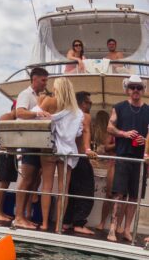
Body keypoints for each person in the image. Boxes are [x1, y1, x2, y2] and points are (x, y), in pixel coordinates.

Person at [106, 75, 149, 242]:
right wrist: (124, 133)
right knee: (119, 194)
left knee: (134, 197)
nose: (136, 90)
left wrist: (145, 141)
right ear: (127, 89)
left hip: (140, 161)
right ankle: (112, 228)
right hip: (123, 157)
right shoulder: (119, 107)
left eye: (139, 87)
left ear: (143, 90)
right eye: (132, 87)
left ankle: (126, 229)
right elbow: (110, 127)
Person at [37, 78, 83, 232]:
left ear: (57, 89)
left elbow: (37, 120)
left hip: (49, 149)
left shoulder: (49, 102)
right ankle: (58, 226)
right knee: (63, 190)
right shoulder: (77, 111)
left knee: (47, 187)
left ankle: (44, 223)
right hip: (67, 151)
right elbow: (77, 133)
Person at [12, 67, 51, 229]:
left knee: (33, 181)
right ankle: (18, 217)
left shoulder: (37, 97)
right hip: (28, 143)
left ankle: (24, 217)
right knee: (27, 179)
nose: (45, 83)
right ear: (35, 79)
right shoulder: (25, 94)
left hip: (36, 143)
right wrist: (37, 114)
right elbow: (19, 113)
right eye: (43, 80)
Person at [63, 91, 97, 235]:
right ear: (81, 103)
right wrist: (88, 149)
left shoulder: (68, 115)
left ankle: (66, 222)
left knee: (71, 191)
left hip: (70, 158)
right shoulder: (85, 116)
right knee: (86, 192)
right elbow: (86, 132)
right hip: (81, 157)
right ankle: (78, 223)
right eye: (88, 102)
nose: (90, 105)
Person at [0, 104, 18, 225]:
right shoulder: (6, 117)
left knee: (6, 184)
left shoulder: (13, 119)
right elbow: (2, 137)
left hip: (10, 154)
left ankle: (0, 212)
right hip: (5, 154)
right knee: (3, 184)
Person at [92, 110, 117, 231]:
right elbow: (107, 147)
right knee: (109, 194)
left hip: (123, 164)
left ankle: (117, 226)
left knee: (123, 198)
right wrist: (121, 142)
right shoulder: (112, 131)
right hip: (112, 164)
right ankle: (102, 222)